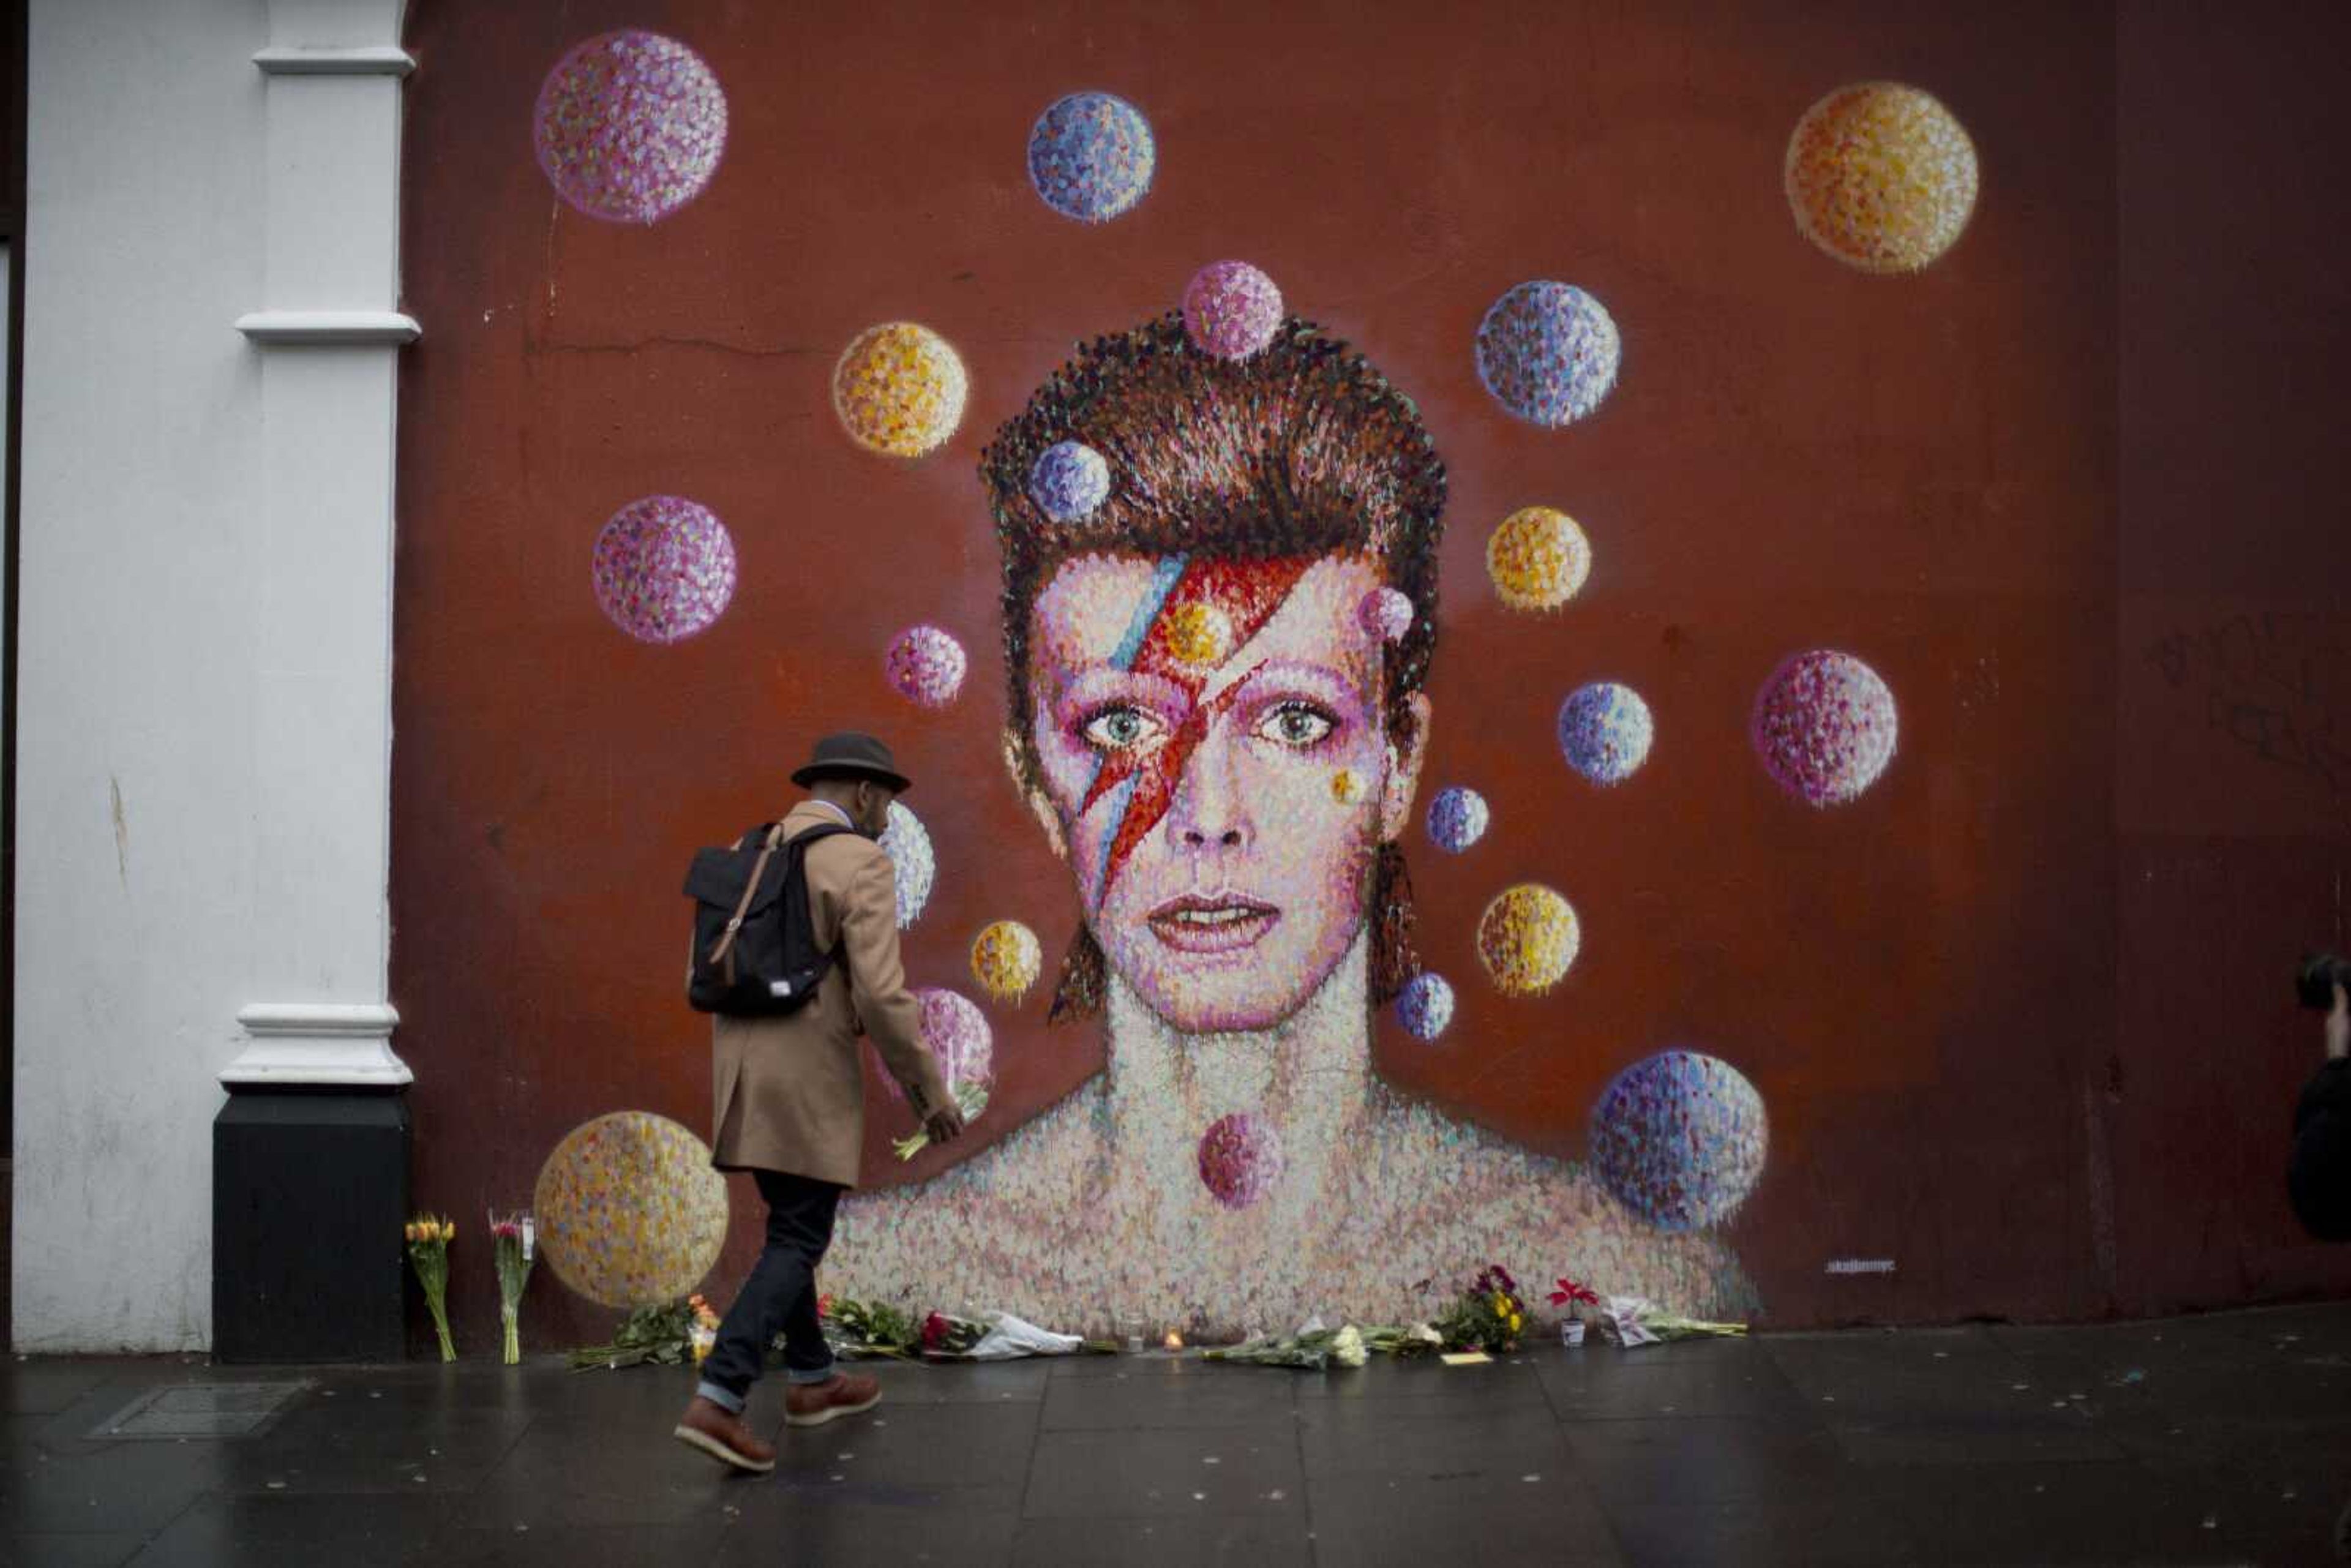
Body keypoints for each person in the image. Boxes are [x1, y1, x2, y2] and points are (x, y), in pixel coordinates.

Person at [820, 315, 1757, 1334]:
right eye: (1125, 723)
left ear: (1397, 764)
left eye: (1296, 720)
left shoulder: (1624, 1278)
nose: (1208, 817)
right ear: (1037, 783)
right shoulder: (882, 1283)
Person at [672, 731, 965, 1474]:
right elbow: (883, 995)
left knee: (790, 1222)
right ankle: (721, 1392)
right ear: (864, 794)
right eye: (889, 802)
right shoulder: (859, 861)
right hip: (805, 1079)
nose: (890, 817)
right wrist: (931, 1093)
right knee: (801, 1236)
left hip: (743, 1076)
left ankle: (812, 1378)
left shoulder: (757, 846)